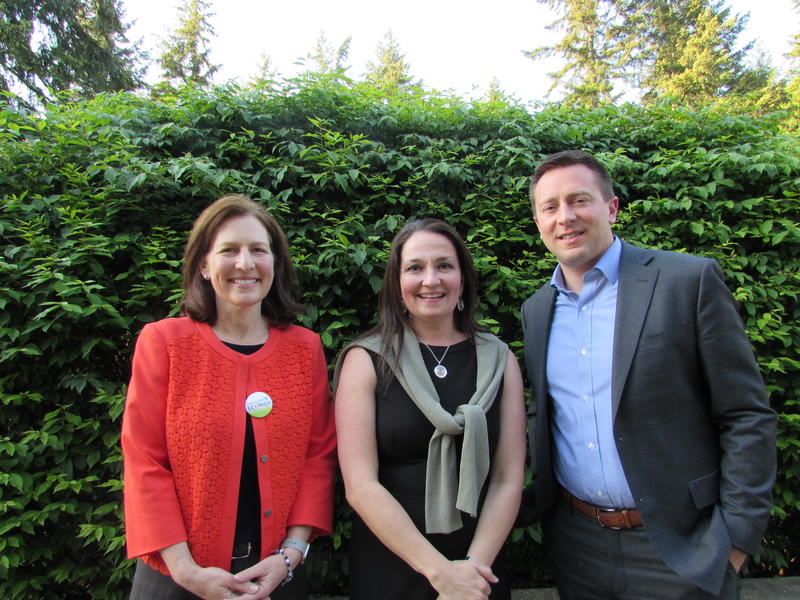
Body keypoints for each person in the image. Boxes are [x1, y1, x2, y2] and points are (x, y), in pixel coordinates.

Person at [518, 149, 777, 599]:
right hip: (577, 547)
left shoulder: (685, 282)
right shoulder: (536, 310)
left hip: (681, 549)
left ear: (611, 207)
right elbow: (545, 417)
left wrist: (734, 541)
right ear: (539, 221)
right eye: (550, 206)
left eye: (579, 200)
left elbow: (747, 414)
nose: (565, 217)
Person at [122, 195, 337, 600]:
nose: (245, 264)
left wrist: (290, 555)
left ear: (275, 263)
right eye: (229, 250)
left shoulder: (304, 350)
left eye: (258, 250)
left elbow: (318, 456)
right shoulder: (164, 343)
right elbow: (144, 461)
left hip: (277, 577)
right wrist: (186, 571)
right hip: (176, 579)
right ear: (203, 265)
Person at [334, 218, 526, 600]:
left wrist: (472, 574)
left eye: (444, 265)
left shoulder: (500, 360)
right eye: (415, 268)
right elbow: (360, 485)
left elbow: (507, 478)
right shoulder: (367, 359)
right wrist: (441, 574)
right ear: (397, 283)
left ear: (463, 278)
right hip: (393, 561)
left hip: (479, 566)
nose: (430, 279)